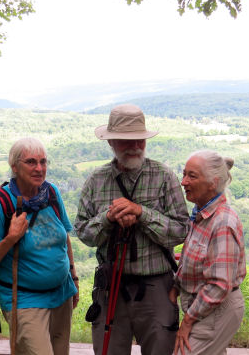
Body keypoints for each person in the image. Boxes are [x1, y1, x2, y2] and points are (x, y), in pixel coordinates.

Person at [74, 104, 189, 355]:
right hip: (110, 286)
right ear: (111, 142)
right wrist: (107, 218)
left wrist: (141, 213)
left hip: (157, 286)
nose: (135, 145)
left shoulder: (163, 176)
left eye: (139, 139)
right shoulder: (97, 180)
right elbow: (82, 231)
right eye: (126, 141)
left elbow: (182, 230)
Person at [0, 137, 79, 355]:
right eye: (31, 162)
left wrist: (73, 276)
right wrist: (11, 238)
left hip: (62, 294)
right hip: (24, 299)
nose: (39, 168)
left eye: (43, 162)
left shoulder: (50, 193)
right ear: (14, 166)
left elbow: (64, 237)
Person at [170, 150, 246, 355]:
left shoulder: (222, 223)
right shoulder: (201, 215)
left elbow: (219, 285)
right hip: (203, 309)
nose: (183, 181)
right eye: (184, 174)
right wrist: (176, 287)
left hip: (216, 311)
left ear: (213, 182)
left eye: (192, 176)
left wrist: (187, 322)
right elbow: (191, 260)